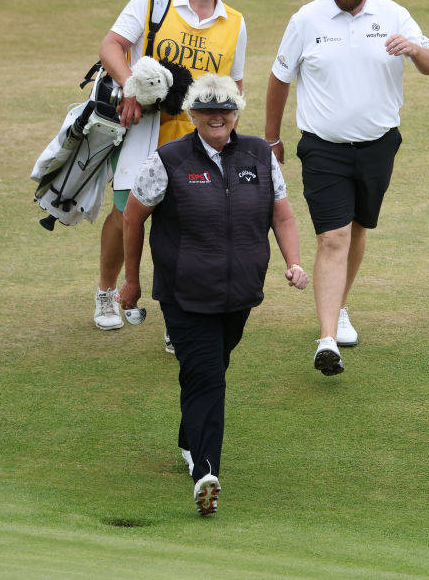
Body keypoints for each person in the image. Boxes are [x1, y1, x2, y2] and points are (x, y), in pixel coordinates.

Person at [117, 74, 309, 516]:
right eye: (206, 110)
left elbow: (281, 214)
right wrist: (132, 281)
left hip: (240, 293)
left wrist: (293, 262)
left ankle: (189, 440)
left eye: (224, 109)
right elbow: (132, 218)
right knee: (209, 377)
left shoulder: (260, 155)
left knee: (209, 367)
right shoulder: (167, 160)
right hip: (185, 295)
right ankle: (206, 471)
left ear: (236, 112)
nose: (216, 116)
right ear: (192, 115)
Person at [264, 0, 429, 375]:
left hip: (379, 145)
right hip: (323, 147)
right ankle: (328, 340)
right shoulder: (306, 19)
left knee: (359, 227)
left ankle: (339, 306)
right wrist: (271, 139)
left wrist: (414, 49)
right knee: (332, 237)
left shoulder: (393, 14)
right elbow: (279, 77)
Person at [93, 0, 248, 346]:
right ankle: (107, 291)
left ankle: (175, 318)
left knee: (184, 226)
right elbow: (112, 47)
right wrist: (129, 86)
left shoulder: (234, 23)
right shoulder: (155, 0)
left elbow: (234, 86)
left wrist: (229, 138)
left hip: (196, 140)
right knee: (127, 213)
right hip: (143, 132)